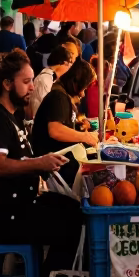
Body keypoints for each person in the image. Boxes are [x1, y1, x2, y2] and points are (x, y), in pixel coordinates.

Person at [0, 49, 82, 274]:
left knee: (78, 211)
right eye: (25, 82)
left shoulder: (13, 116)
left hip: (21, 204)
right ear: (7, 84)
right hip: (4, 214)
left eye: (31, 81)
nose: (32, 87)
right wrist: (38, 164)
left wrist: (43, 162)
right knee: (76, 224)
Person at [31, 57, 99, 188]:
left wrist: (79, 128)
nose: (83, 95)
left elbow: (63, 125)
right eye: (83, 88)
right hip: (53, 170)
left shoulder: (62, 96)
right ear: (75, 83)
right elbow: (55, 131)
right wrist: (84, 136)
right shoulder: (58, 97)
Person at [27, 41, 80, 119]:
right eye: (70, 63)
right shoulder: (44, 80)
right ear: (64, 63)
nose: (70, 67)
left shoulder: (51, 79)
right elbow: (48, 110)